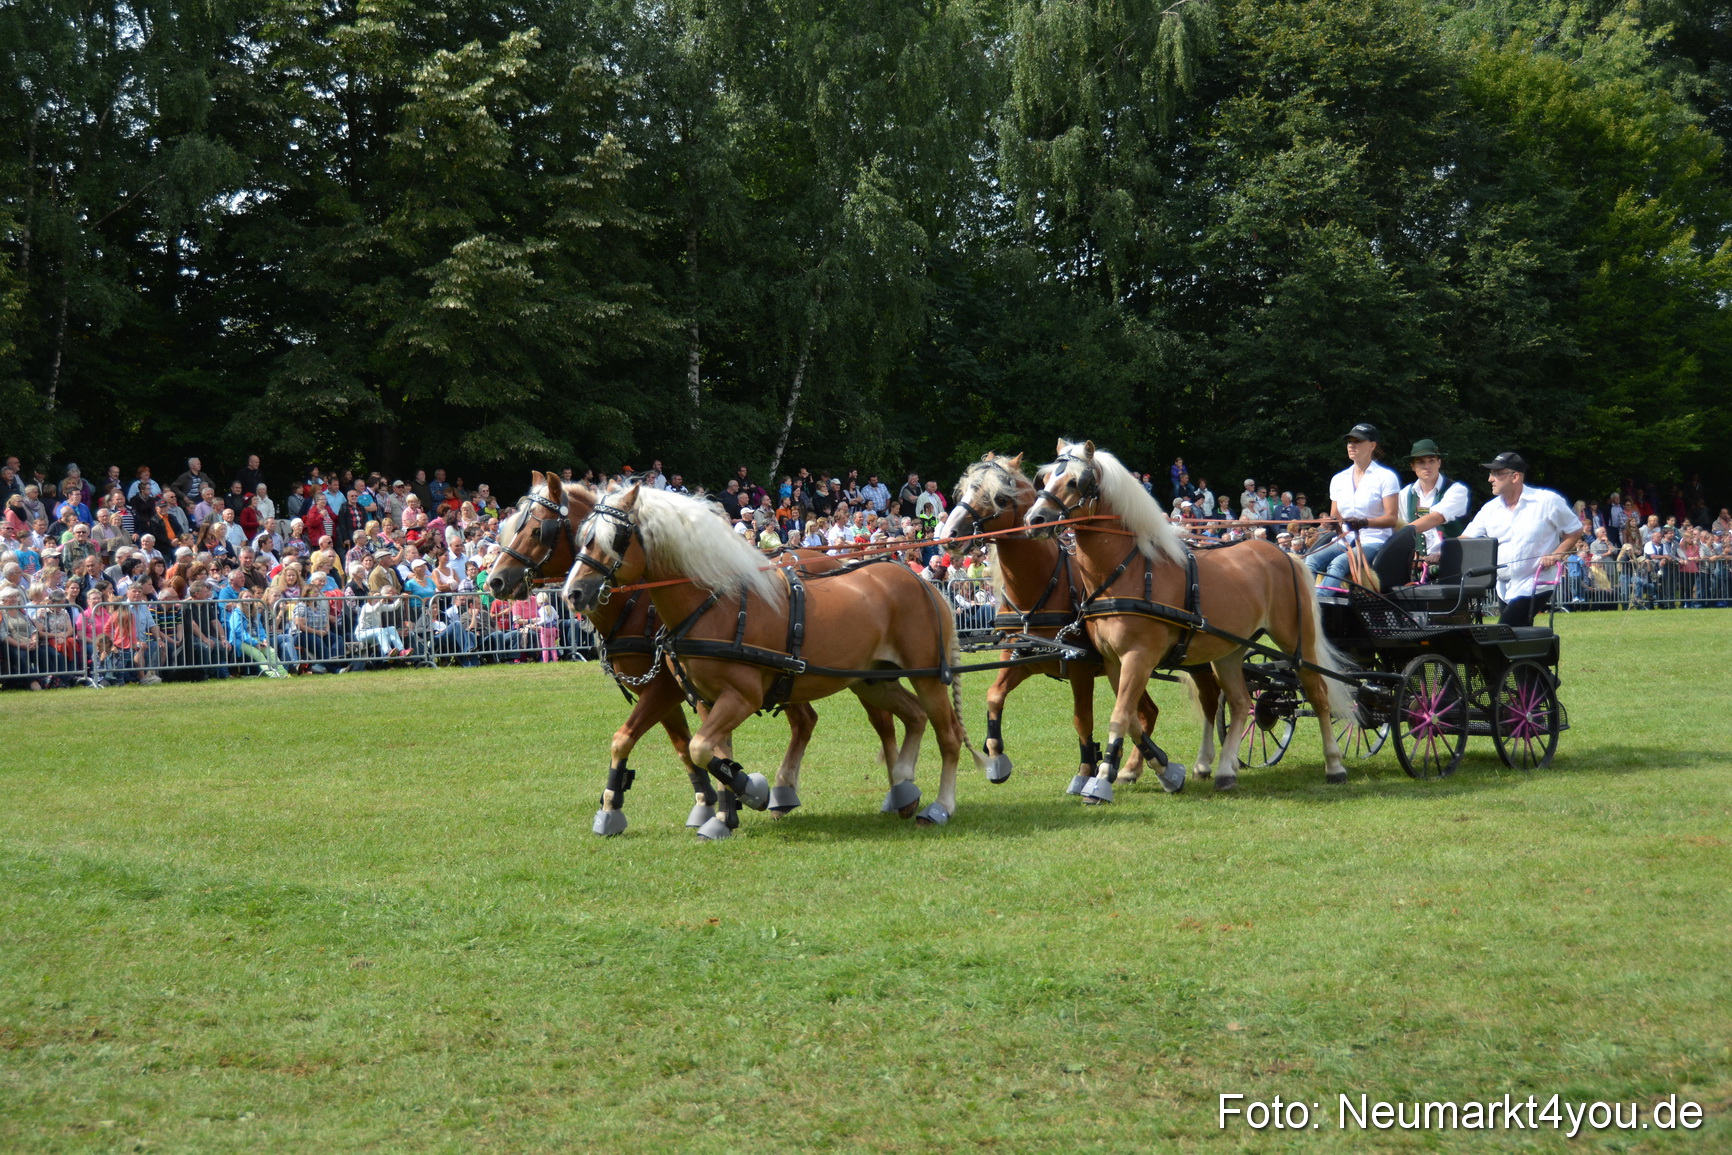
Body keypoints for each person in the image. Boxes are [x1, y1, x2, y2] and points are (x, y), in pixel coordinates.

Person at [1459, 452, 1584, 627]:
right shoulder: (1490, 509)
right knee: (1518, 636)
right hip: (1503, 587)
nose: (1490, 479)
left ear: (1515, 476)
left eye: (1496, 474)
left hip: (1536, 583)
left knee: (1506, 629)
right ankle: (1542, 653)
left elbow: (1574, 530)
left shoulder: (1547, 501)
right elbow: (1465, 539)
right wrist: (1439, 551)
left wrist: (1557, 554)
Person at [1305, 423, 1402, 591]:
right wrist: (1328, 523)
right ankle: (1304, 605)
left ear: (1372, 446)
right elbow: (1335, 516)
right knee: (1310, 561)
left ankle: (1320, 606)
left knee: (1339, 563)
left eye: (1357, 441)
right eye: (1349, 441)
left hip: (1374, 540)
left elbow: (1391, 519)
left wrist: (1364, 522)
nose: (1351, 445)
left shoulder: (1386, 477)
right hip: (1344, 540)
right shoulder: (1338, 479)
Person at [1396, 439, 1472, 567]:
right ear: (1412, 466)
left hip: (1455, 562)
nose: (1427, 466)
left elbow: (1437, 517)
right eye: (1420, 462)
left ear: (1439, 463)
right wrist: (1411, 553)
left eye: (1431, 460)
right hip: (1419, 565)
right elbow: (1402, 526)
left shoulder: (1456, 490)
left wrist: (1405, 532)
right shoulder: (1405, 494)